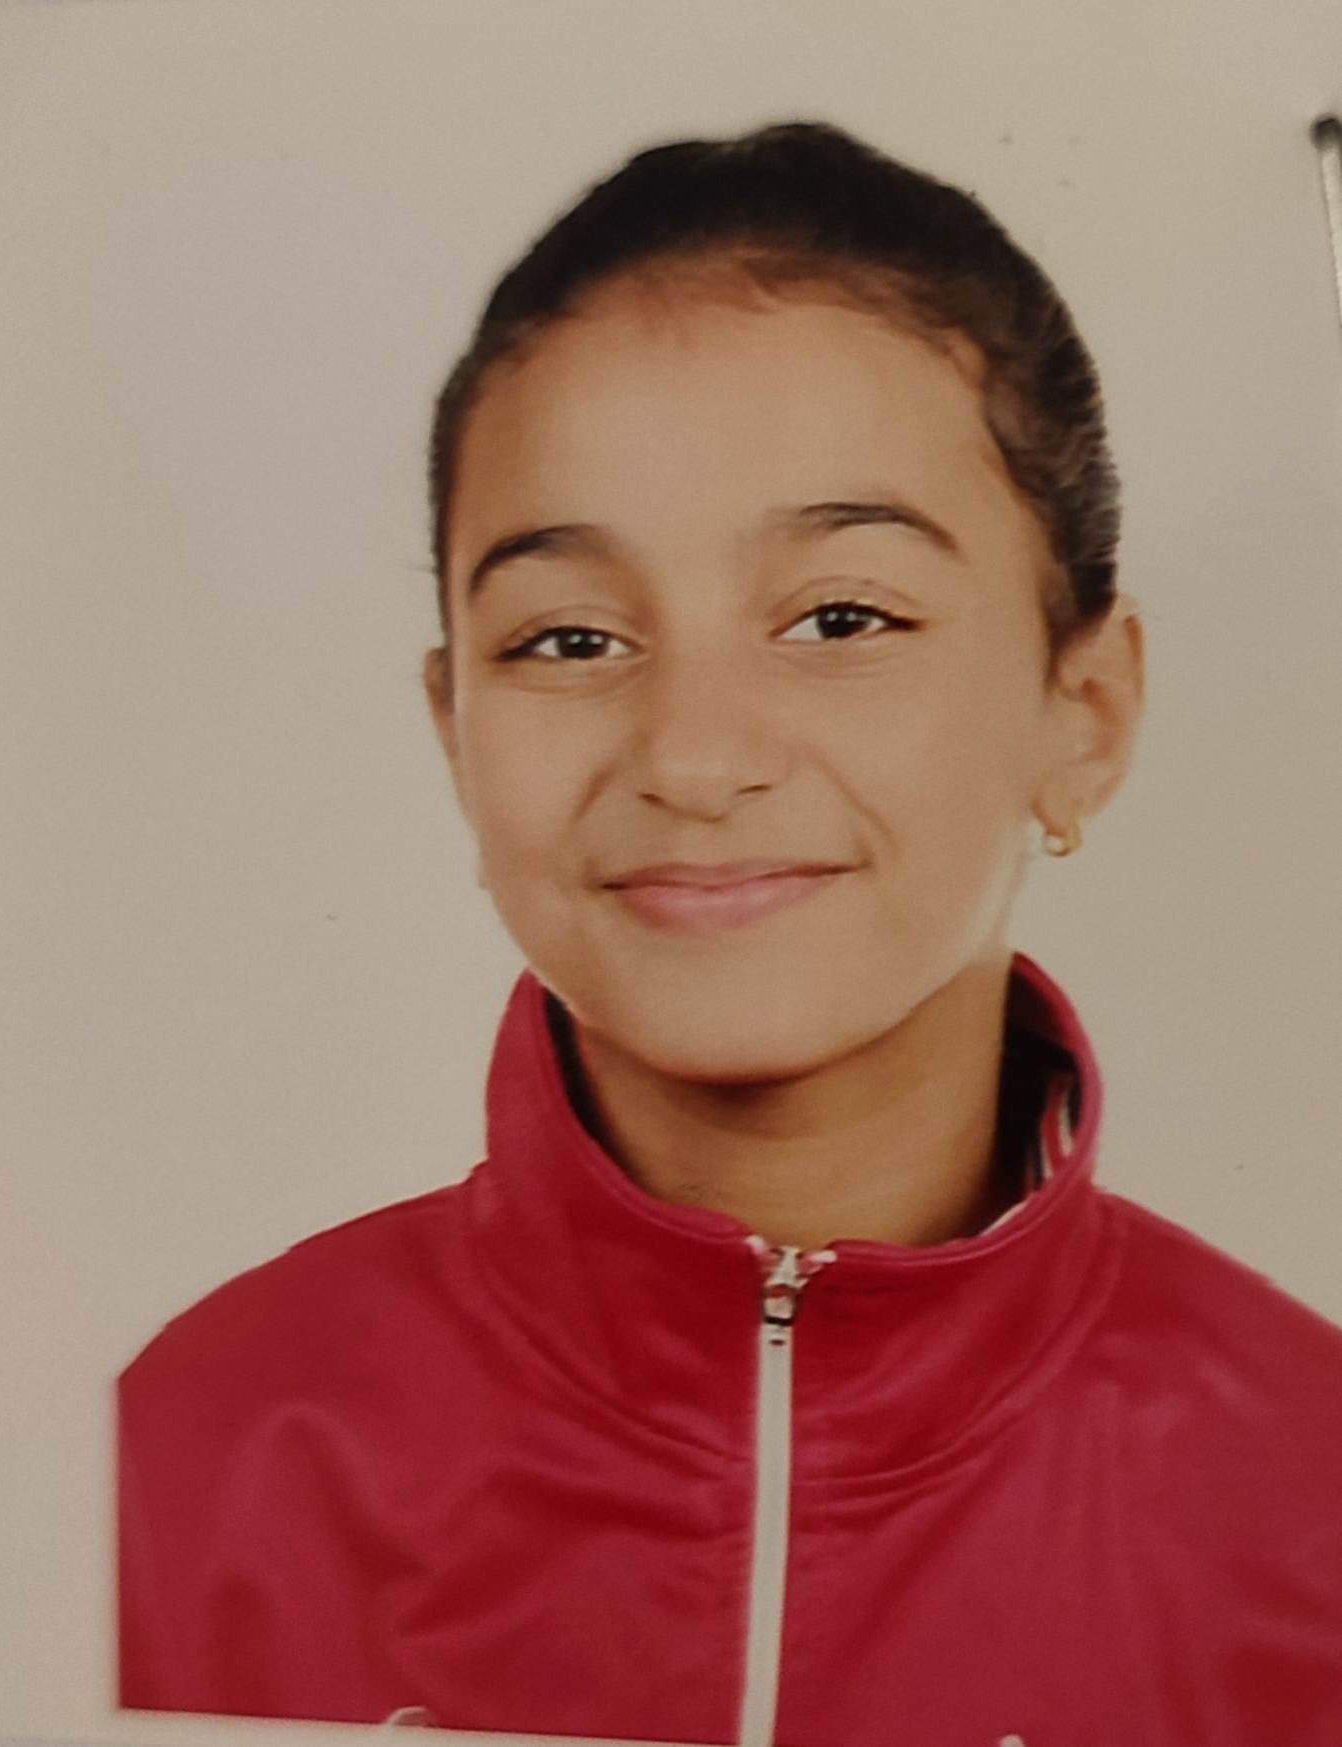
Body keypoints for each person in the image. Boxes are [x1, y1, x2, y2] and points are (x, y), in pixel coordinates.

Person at [117, 121, 1342, 1745]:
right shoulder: (179, 1466)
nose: (693, 757)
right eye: (569, 640)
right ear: (453, 726)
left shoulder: (1309, 1510)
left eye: (840, 617)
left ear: (1083, 709)